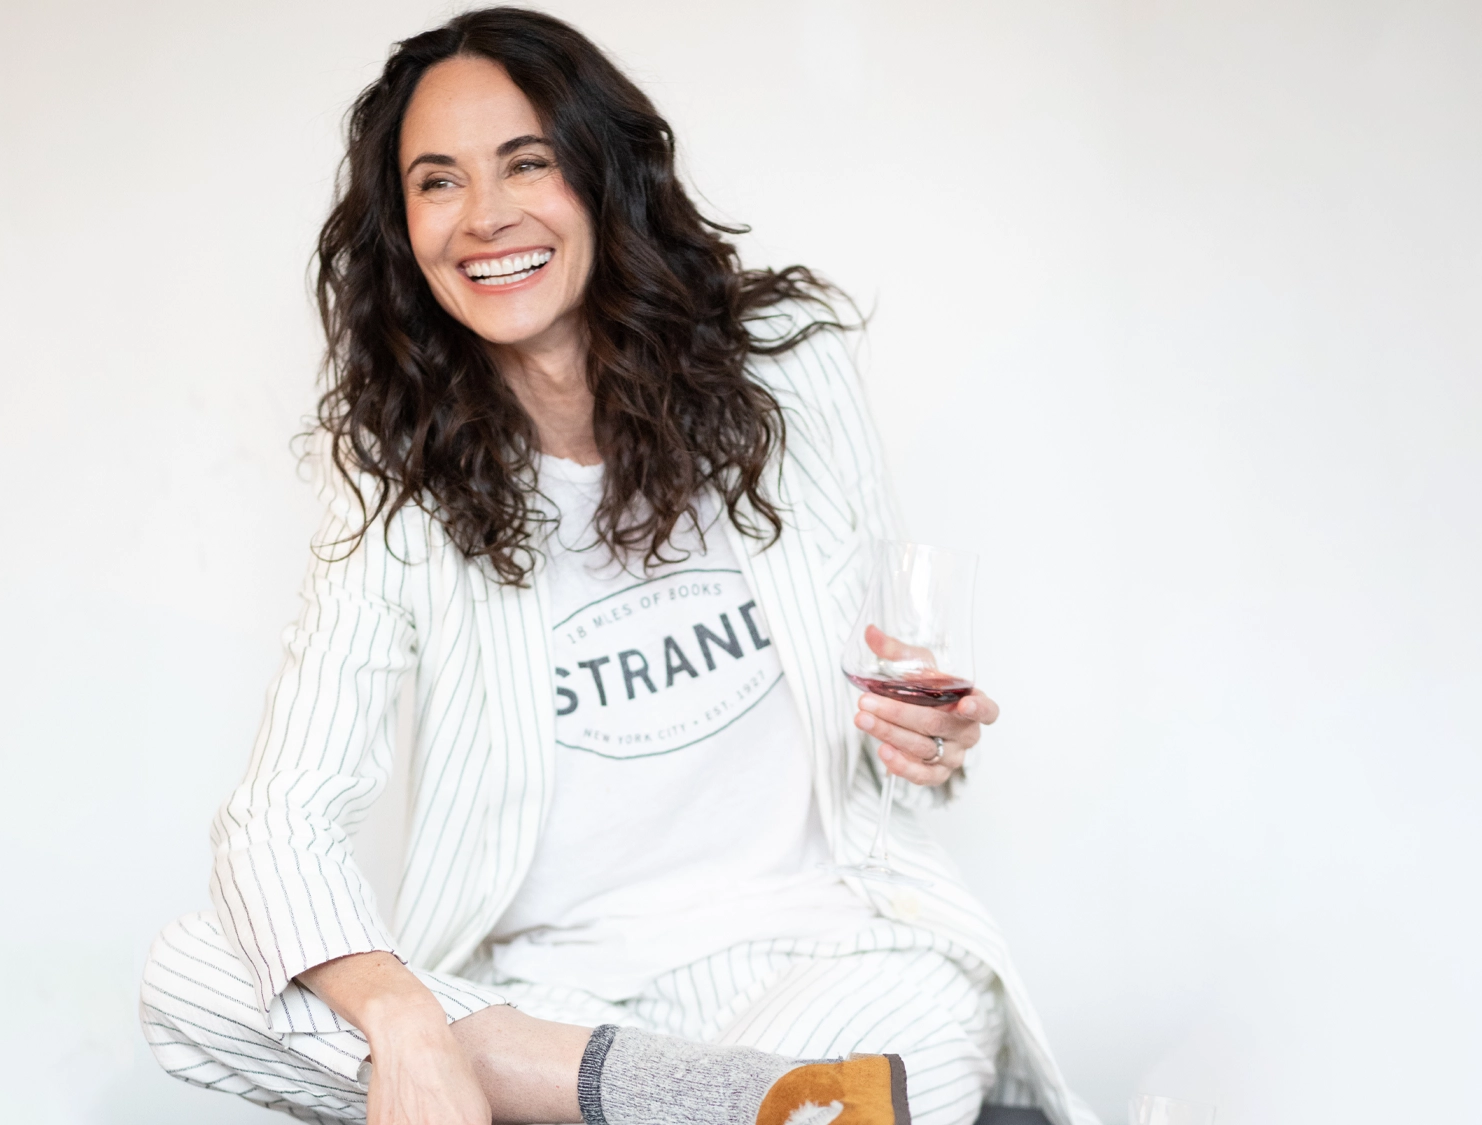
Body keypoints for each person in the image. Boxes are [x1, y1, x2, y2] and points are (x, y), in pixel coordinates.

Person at [140, 9, 1096, 1125]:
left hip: (823, 958)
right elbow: (277, 819)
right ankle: (732, 1107)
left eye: (526, 162)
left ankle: (632, 1104)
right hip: (549, 1000)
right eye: (437, 182)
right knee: (194, 975)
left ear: (602, 175)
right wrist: (404, 1017)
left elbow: (888, 716)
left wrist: (923, 746)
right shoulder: (392, 475)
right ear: (404, 228)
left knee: (912, 1041)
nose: (486, 216)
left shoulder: (790, 373)